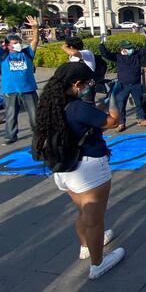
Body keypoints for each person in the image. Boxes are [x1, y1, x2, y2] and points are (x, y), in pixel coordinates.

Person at [33, 62, 125, 279]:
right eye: (86, 84)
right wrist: (113, 98)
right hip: (88, 167)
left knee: (83, 212)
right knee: (95, 219)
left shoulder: (49, 104)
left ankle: (86, 246)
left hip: (64, 169)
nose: (87, 88)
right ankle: (97, 263)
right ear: (76, 84)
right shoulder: (78, 107)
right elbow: (112, 121)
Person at [0, 14, 39, 145]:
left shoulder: (27, 53)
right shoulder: (3, 55)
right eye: (15, 43)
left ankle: (39, 133)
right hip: (10, 91)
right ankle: (10, 136)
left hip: (28, 89)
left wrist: (35, 28)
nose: (18, 45)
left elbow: (35, 41)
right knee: (11, 115)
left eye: (19, 43)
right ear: (8, 45)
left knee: (35, 116)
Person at [99, 31, 146, 131]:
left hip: (135, 83)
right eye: (128, 48)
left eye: (131, 48)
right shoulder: (118, 57)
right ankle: (121, 123)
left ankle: (141, 119)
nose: (131, 49)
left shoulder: (136, 55)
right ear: (123, 49)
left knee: (139, 102)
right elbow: (106, 54)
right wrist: (101, 44)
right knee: (121, 104)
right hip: (123, 84)